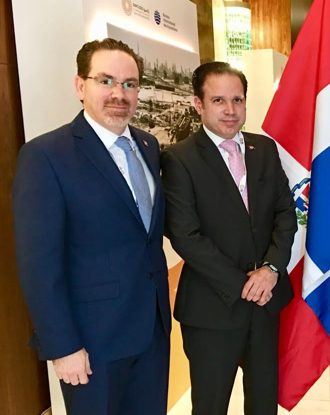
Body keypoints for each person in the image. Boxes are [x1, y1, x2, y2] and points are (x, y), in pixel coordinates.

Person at [12, 38, 170, 415]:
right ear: (80, 86)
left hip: (152, 332)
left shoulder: (148, 146)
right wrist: (62, 346)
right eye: (106, 80)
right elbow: (39, 264)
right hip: (92, 345)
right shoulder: (46, 155)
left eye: (130, 84)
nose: (119, 93)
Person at [161, 62, 297, 415]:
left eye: (237, 99)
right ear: (198, 103)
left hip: (265, 304)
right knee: (210, 406)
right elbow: (185, 235)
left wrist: (270, 270)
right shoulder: (178, 159)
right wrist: (245, 285)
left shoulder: (264, 149)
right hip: (212, 309)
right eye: (218, 100)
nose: (230, 110)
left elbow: (285, 213)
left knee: (264, 404)